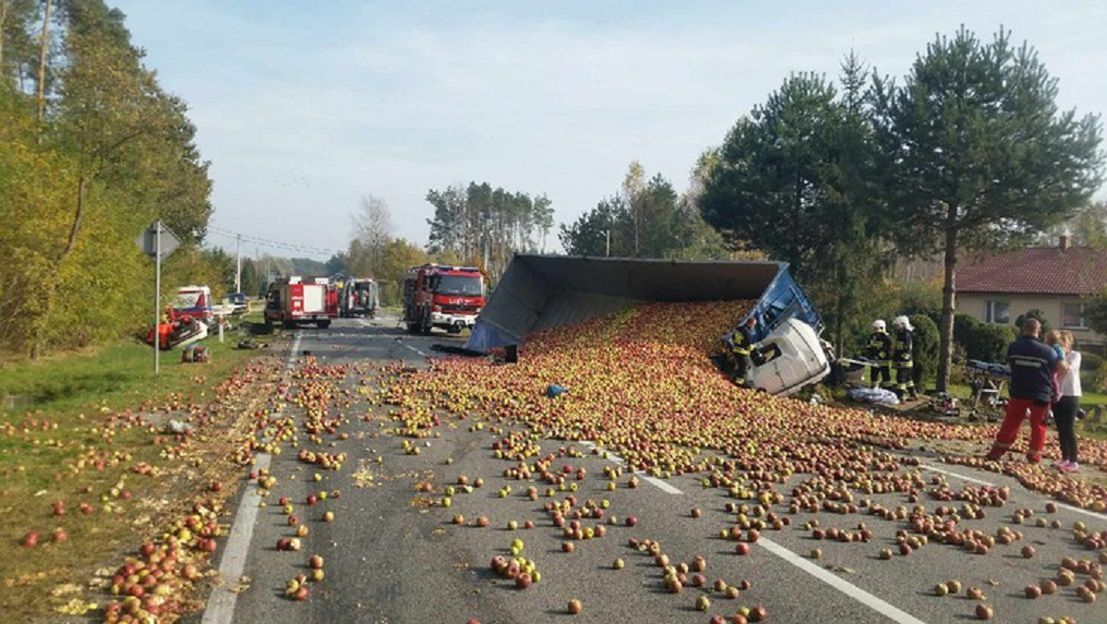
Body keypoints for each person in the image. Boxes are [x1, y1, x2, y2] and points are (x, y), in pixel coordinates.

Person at [986, 318, 1068, 463]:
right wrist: (1060, 356)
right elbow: (1061, 368)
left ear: (1023, 329)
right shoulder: (1048, 351)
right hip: (1041, 392)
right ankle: (1034, 455)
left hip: (1019, 390)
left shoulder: (1014, 347)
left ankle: (997, 451)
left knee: (1011, 421)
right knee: (1038, 425)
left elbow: (1010, 364)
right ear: (1039, 331)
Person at [1053, 330, 1082, 472]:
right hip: (1058, 394)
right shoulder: (1056, 356)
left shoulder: (1075, 355)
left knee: (1068, 427)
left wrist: (1061, 355)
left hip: (1071, 394)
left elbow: (1067, 370)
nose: (1061, 344)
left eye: (1063, 341)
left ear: (1069, 342)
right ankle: (1064, 457)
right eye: (1059, 341)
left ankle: (1074, 460)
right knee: (1060, 427)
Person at [891, 316, 918, 400]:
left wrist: (900, 360)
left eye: (897, 326)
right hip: (906, 362)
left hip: (904, 362)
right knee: (908, 379)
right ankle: (913, 394)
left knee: (900, 379)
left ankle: (900, 395)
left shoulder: (905, 335)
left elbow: (906, 349)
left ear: (903, 325)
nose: (896, 328)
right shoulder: (902, 334)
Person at [729, 317, 758, 386]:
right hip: (742, 352)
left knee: (739, 366)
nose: (753, 327)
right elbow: (749, 346)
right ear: (750, 324)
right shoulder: (747, 332)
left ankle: (734, 378)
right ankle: (738, 383)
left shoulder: (738, 329)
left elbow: (733, 337)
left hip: (736, 349)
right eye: (753, 325)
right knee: (744, 368)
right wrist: (755, 347)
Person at [865, 320, 893, 389]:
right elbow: (869, 346)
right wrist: (869, 355)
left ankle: (888, 388)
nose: (876, 331)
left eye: (877, 328)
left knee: (885, 374)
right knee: (874, 374)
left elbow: (887, 349)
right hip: (874, 360)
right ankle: (874, 387)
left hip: (883, 360)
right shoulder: (872, 336)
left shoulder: (886, 338)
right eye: (875, 328)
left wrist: (879, 356)